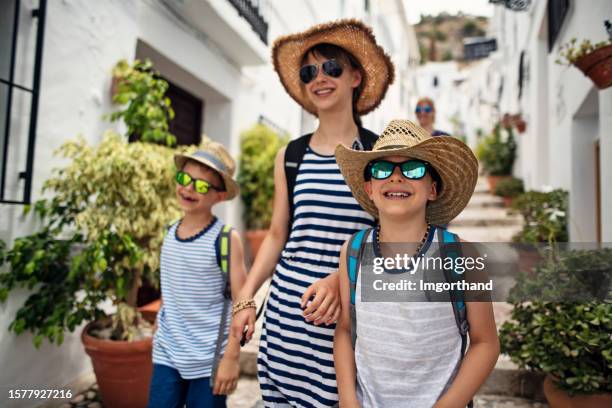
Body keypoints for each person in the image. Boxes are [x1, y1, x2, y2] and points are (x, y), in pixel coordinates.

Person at [230, 19, 395, 407]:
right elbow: (276, 235)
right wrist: (246, 298)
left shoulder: (379, 155)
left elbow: (397, 240)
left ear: (356, 77)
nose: (319, 78)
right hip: (285, 322)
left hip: (348, 321)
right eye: (309, 72)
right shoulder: (290, 156)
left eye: (332, 67)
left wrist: (342, 276)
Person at [334, 119, 500, 407]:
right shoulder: (353, 251)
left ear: (432, 189)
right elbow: (346, 330)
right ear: (370, 188)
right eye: (382, 169)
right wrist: (349, 400)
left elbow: (486, 343)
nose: (396, 178)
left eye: (412, 169)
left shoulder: (461, 255)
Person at [148, 142, 247, 408]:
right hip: (167, 351)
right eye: (185, 179)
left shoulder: (226, 239)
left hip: (208, 360)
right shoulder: (169, 232)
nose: (189, 188)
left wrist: (232, 357)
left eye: (202, 186)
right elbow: (171, 284)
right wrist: (161, 315)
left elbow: (243, 303)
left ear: (220, 196)